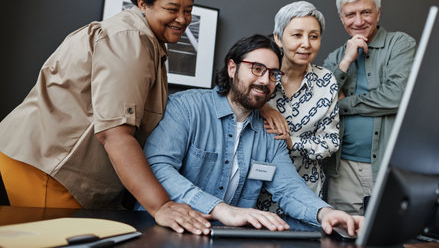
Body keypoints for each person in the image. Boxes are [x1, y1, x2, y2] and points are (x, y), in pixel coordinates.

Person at [0, 0, 211, 235]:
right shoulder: (131, 39)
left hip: (44, 167)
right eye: (172, 8)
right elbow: (114, 133)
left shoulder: (138, 38)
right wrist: (161, 205)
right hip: (49, 173)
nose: (183, 19)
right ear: (142, 3)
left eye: (188, 10)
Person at [137, 34, 363, 235]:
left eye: (273, 74)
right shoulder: (186, 107)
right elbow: (157, 167)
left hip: (223, 237)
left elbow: (288, 187)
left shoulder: (270, 132)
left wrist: (324, 213)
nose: (265, 80)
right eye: (257, 68)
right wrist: (221, 210)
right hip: (161, 230)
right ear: (232, 68)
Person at [322, 0, 416, 215]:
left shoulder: (400, 44)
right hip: (342, 171)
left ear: (378, 12)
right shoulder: (335, 58)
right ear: (341, 18)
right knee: (343, 238)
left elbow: (397, 96)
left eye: (366, 12)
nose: (358, 21)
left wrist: (343, 104)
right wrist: (346, 61)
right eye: (350, 14)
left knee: (387, 237)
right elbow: (321, 105)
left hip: (387, 167)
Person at [256, 2, 340, 216]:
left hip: (305, 192)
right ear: (278, 38)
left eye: (313, 36)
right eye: (297, 35)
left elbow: (331, 141)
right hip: (255, 192)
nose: (306, 44)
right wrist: (262, 107)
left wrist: (292, 142)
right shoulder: (260, 73)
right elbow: (229, 98)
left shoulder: (326, 81)